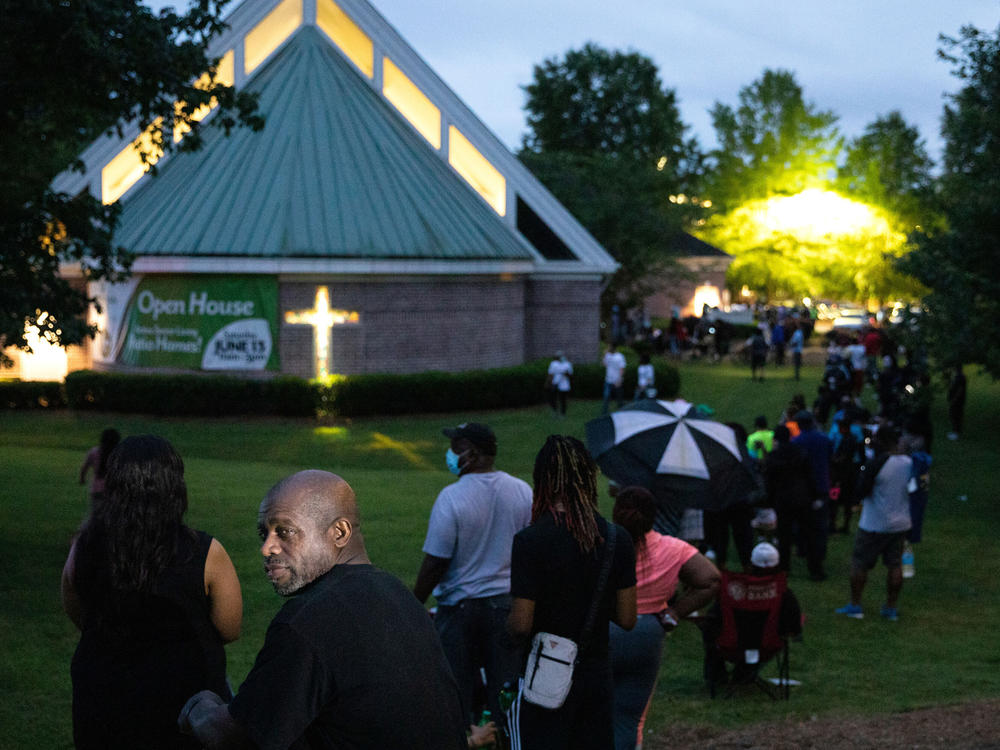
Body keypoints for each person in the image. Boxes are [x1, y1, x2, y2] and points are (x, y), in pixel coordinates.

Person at [179, 470, 468, 749]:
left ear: (339, 532)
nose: (267, 548)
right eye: (263, 533)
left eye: (285, 532)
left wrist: (199, 705)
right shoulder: (397, 594)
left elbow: (235, 738)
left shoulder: (308, 620)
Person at [61, 434, 242, 750]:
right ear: (175, 487)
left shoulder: (84, 547)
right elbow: (229, 627)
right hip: (183, 706)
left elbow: (79, 612)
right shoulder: (205, 551)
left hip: (101, 696)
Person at [507, 435, 637, 750]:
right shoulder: (617, 538)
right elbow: (627, 617)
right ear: (589, 478)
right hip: (595, 675)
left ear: (543, 480)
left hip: (546, 676)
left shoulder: (530, 540)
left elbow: (522, 623)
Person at [413, 422, 532, 725]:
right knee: (505, 694)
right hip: (506, 607)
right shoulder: (521, 491)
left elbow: (436, 562)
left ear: (473, 454)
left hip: (459, 611)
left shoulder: (451, 498)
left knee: (456, 695)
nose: (450, 454)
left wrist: (414, 602)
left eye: (456, 447)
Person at [609, 487, 719, 750]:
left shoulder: (599, 545)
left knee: (592, 712)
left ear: (615, 513)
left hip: (605, 630)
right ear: (653, 517)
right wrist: (676, 611)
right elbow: (711, 579)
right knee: (629, 719)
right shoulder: (673, 548)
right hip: (648, 633)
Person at [836, 427, 913, 621]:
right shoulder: (908, 463)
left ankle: (855, 605)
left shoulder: (877, 463)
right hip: (900, 522)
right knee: (895, 565)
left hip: (874, 523)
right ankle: (891, 607)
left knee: (860, 563)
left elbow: (861, 491)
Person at [701, 542, 802, 686]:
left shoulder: (733, 589)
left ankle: (717, 676)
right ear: (778, 565)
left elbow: (714, 616)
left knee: (709, 627)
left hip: (730, 646)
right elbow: (794, 624)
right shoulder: (782, 592)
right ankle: (745, 673)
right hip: (768, 647)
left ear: (752, 564)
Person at [764, 425, 818, 578]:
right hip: (802, 497)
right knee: (808, 535)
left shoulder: (774, 456)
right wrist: (814, 495)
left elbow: (769, 481)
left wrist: (770, 499)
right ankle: (814, 569)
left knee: (784, 536)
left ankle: (784, 568)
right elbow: (810, 476)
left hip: (783, 499)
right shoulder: (800, 452)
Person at [791, 410, 833, 580]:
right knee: (820, 525)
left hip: (803, 489)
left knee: (803, 522)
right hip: (822, 486)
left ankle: (803, 549)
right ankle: (818, 554)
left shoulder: (796, 442)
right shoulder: (824, 439)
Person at [78, 427, 121, 504]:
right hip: (114, 490)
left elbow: (84, 468)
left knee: (96, 513)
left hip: (96, 489)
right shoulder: (119, 454)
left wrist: (82, 479)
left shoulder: (94, 452)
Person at [546, 351, 574, 416]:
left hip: (564, 385)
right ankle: (555, 411)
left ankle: (562, 413)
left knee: (563, 399)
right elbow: (551, 374)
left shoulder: (567, 364)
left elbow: (571, 375)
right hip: (555, 383)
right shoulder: (553, 364)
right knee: (553, 398)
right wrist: (548, 383)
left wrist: (566, 373)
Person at [602, 343, 627, 413]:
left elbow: (622, 369)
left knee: (619, 398)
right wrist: (604, 355)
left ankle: (622, 411)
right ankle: (604, 412)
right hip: (608, 380)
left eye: (609, 347)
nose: (608, 348)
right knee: (606, 397)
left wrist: (620, 379)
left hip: (617, 381)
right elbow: (604, 364)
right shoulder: (607, 355)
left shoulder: (620, 356)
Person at [947, 364, 967, 440]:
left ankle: (956, 432)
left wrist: (954, 399)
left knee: (956, 415)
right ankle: (955, 431)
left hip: (957, 401)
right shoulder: (957, 377)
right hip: (956, 400)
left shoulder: (960, 378)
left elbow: (960, 390)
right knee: (954, 415)